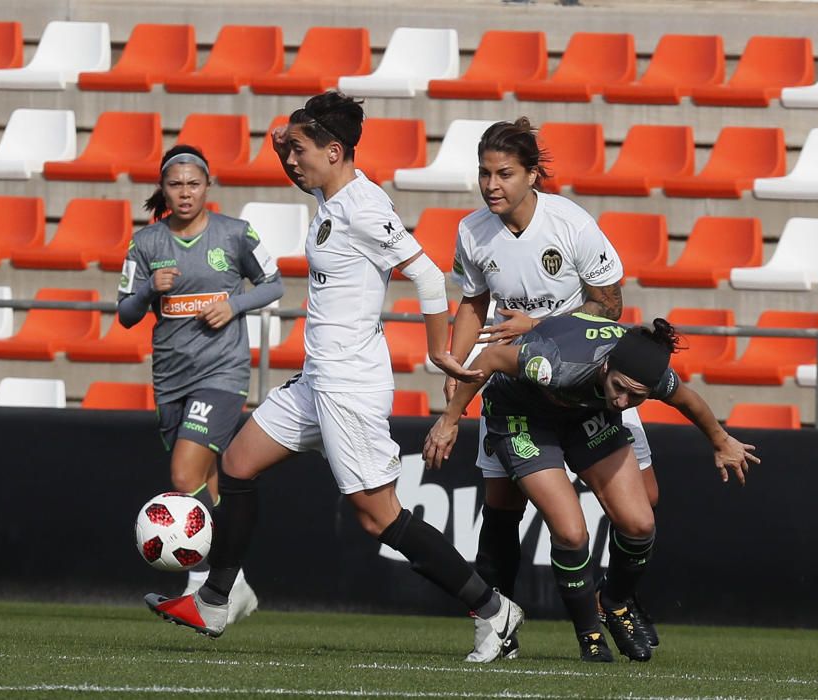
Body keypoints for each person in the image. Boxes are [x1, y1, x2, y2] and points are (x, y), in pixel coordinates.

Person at [143, 91, 524, 663]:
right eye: (288, 151)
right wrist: (286, 141)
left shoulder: (364, 206)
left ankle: (495, 611)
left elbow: (423, 274)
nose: (291, 161)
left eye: (299, 151)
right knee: (238, 464)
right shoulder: (329, 190)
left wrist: (437, 352)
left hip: (349, 386)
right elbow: (300, 158)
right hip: (317, 379)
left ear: (335, 150)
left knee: (380, 518)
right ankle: (217, 598)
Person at [425, 315, 759, 662]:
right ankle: (590, 635)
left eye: (636, 396)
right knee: (571, 533)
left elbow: (687, 399)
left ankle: (613, 601)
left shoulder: (645, 375)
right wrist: (450, 419)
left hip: (583, 416)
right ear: (606, 365)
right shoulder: (556, 365)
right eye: (620, 387)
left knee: (639, 524)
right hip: (521, 415)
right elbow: (491, 357)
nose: (624, 401)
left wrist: (721, 441)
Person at [446, 118, 661, 653]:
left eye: (505, 174)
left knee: (644, 502)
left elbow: (610, 306)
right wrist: (457, 363)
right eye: (484, 174)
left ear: (532, 175)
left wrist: (540, 328)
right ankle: (498, 627)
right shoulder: (472, 231)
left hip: (589, 380)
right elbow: (473, 303)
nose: (492, 185)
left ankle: (620, 598)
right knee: (501, 503)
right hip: (519, 386)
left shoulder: (570, 224)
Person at [118, 144, 284, 622]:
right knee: (209, 484)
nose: (185, 193)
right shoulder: (146, 244)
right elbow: (126, 314)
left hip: (222, 373)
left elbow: (275, 283)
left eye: (193, 184)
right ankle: (236, 585)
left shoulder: (235, 234)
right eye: (176, 184)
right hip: (171, 377)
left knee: (183, 476)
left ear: (207, 186)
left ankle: (203, 591)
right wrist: (150, 289)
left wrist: (234, 305)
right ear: (163, 189)